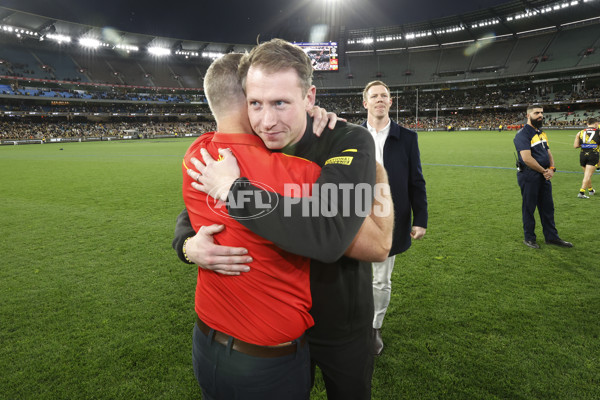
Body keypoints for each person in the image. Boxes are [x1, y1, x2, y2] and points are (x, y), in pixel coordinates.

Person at [174, 38, 393, 400]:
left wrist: (377, 173)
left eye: (280, 103)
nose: (266, 120)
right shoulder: (255, 144)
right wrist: (186, 244)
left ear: (309, 99)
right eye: (256, 104)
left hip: (340, 323)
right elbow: (194, 206)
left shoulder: (345, 139)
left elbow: (373, 243)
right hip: (283, 330)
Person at [361, 80, 428, 355]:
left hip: (390, 218)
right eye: (374, 96)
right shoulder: (351, 136)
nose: (379, 99)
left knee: (380, 279)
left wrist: (420, 218)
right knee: (350, 277)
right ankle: (350, 325)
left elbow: (416, 180)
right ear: (365, 103)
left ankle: (374, 328)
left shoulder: (407, 138)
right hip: (354, 217)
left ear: (390, 102)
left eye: (384, 96)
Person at [513, 105, 572, 249]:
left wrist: (551, 168)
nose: (540, 115)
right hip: (529, 175)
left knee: (548, 207)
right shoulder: (522, 134)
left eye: (541, 113)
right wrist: (543, 171)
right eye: (536, 113)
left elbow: (548, 152)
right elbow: (526, 158)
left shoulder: (541, 133)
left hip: (543, 175)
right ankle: (529, 238)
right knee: (529, 207)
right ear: (528, 115)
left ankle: (551, 237)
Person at [573, 117, 599, 199]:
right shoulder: (598, 132)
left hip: (583, 155)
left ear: (587, 124)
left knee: (587, 174)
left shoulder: (580, 132)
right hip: (593, 154)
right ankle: (581, 192)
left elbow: (575, 146)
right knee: (588, 175)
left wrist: (585, 144)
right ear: (595, 124)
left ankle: (591, 190)